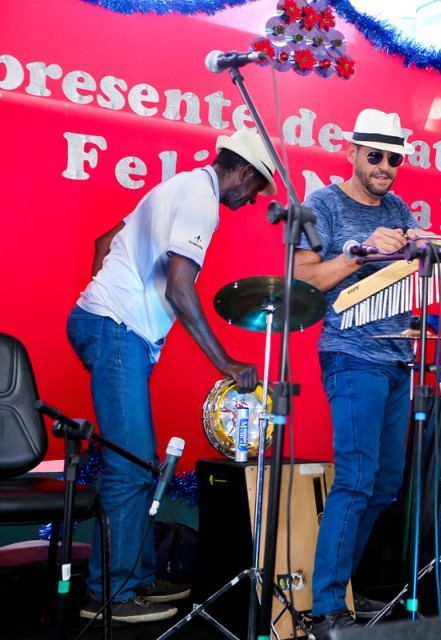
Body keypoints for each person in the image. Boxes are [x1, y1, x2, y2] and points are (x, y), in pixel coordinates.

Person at [68, 130, 275, 623]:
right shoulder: (202, 200)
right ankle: (110, 596)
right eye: (256, 188)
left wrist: (103, 305)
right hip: (117, 331)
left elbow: (104, 243)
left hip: (112, 327)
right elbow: (180, 289)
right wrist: (225, 362)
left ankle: (136, 577)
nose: (252, 201)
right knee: (130, 465)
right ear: (244, 173)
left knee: (140, 461)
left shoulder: (177, 185)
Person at [293, 108, 423, 634]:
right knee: (356, 477)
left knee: (386, 482)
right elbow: (302, 278)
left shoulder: (398, 208)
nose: (385, 166)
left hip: (397, 358)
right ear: (350, 152)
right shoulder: (321, 205)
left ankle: (342, 587)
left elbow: (412, 272)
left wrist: (428, 252)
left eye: (394, 158)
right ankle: (326, 607)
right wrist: (362, 253)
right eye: (375, 155)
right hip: (350, 356)